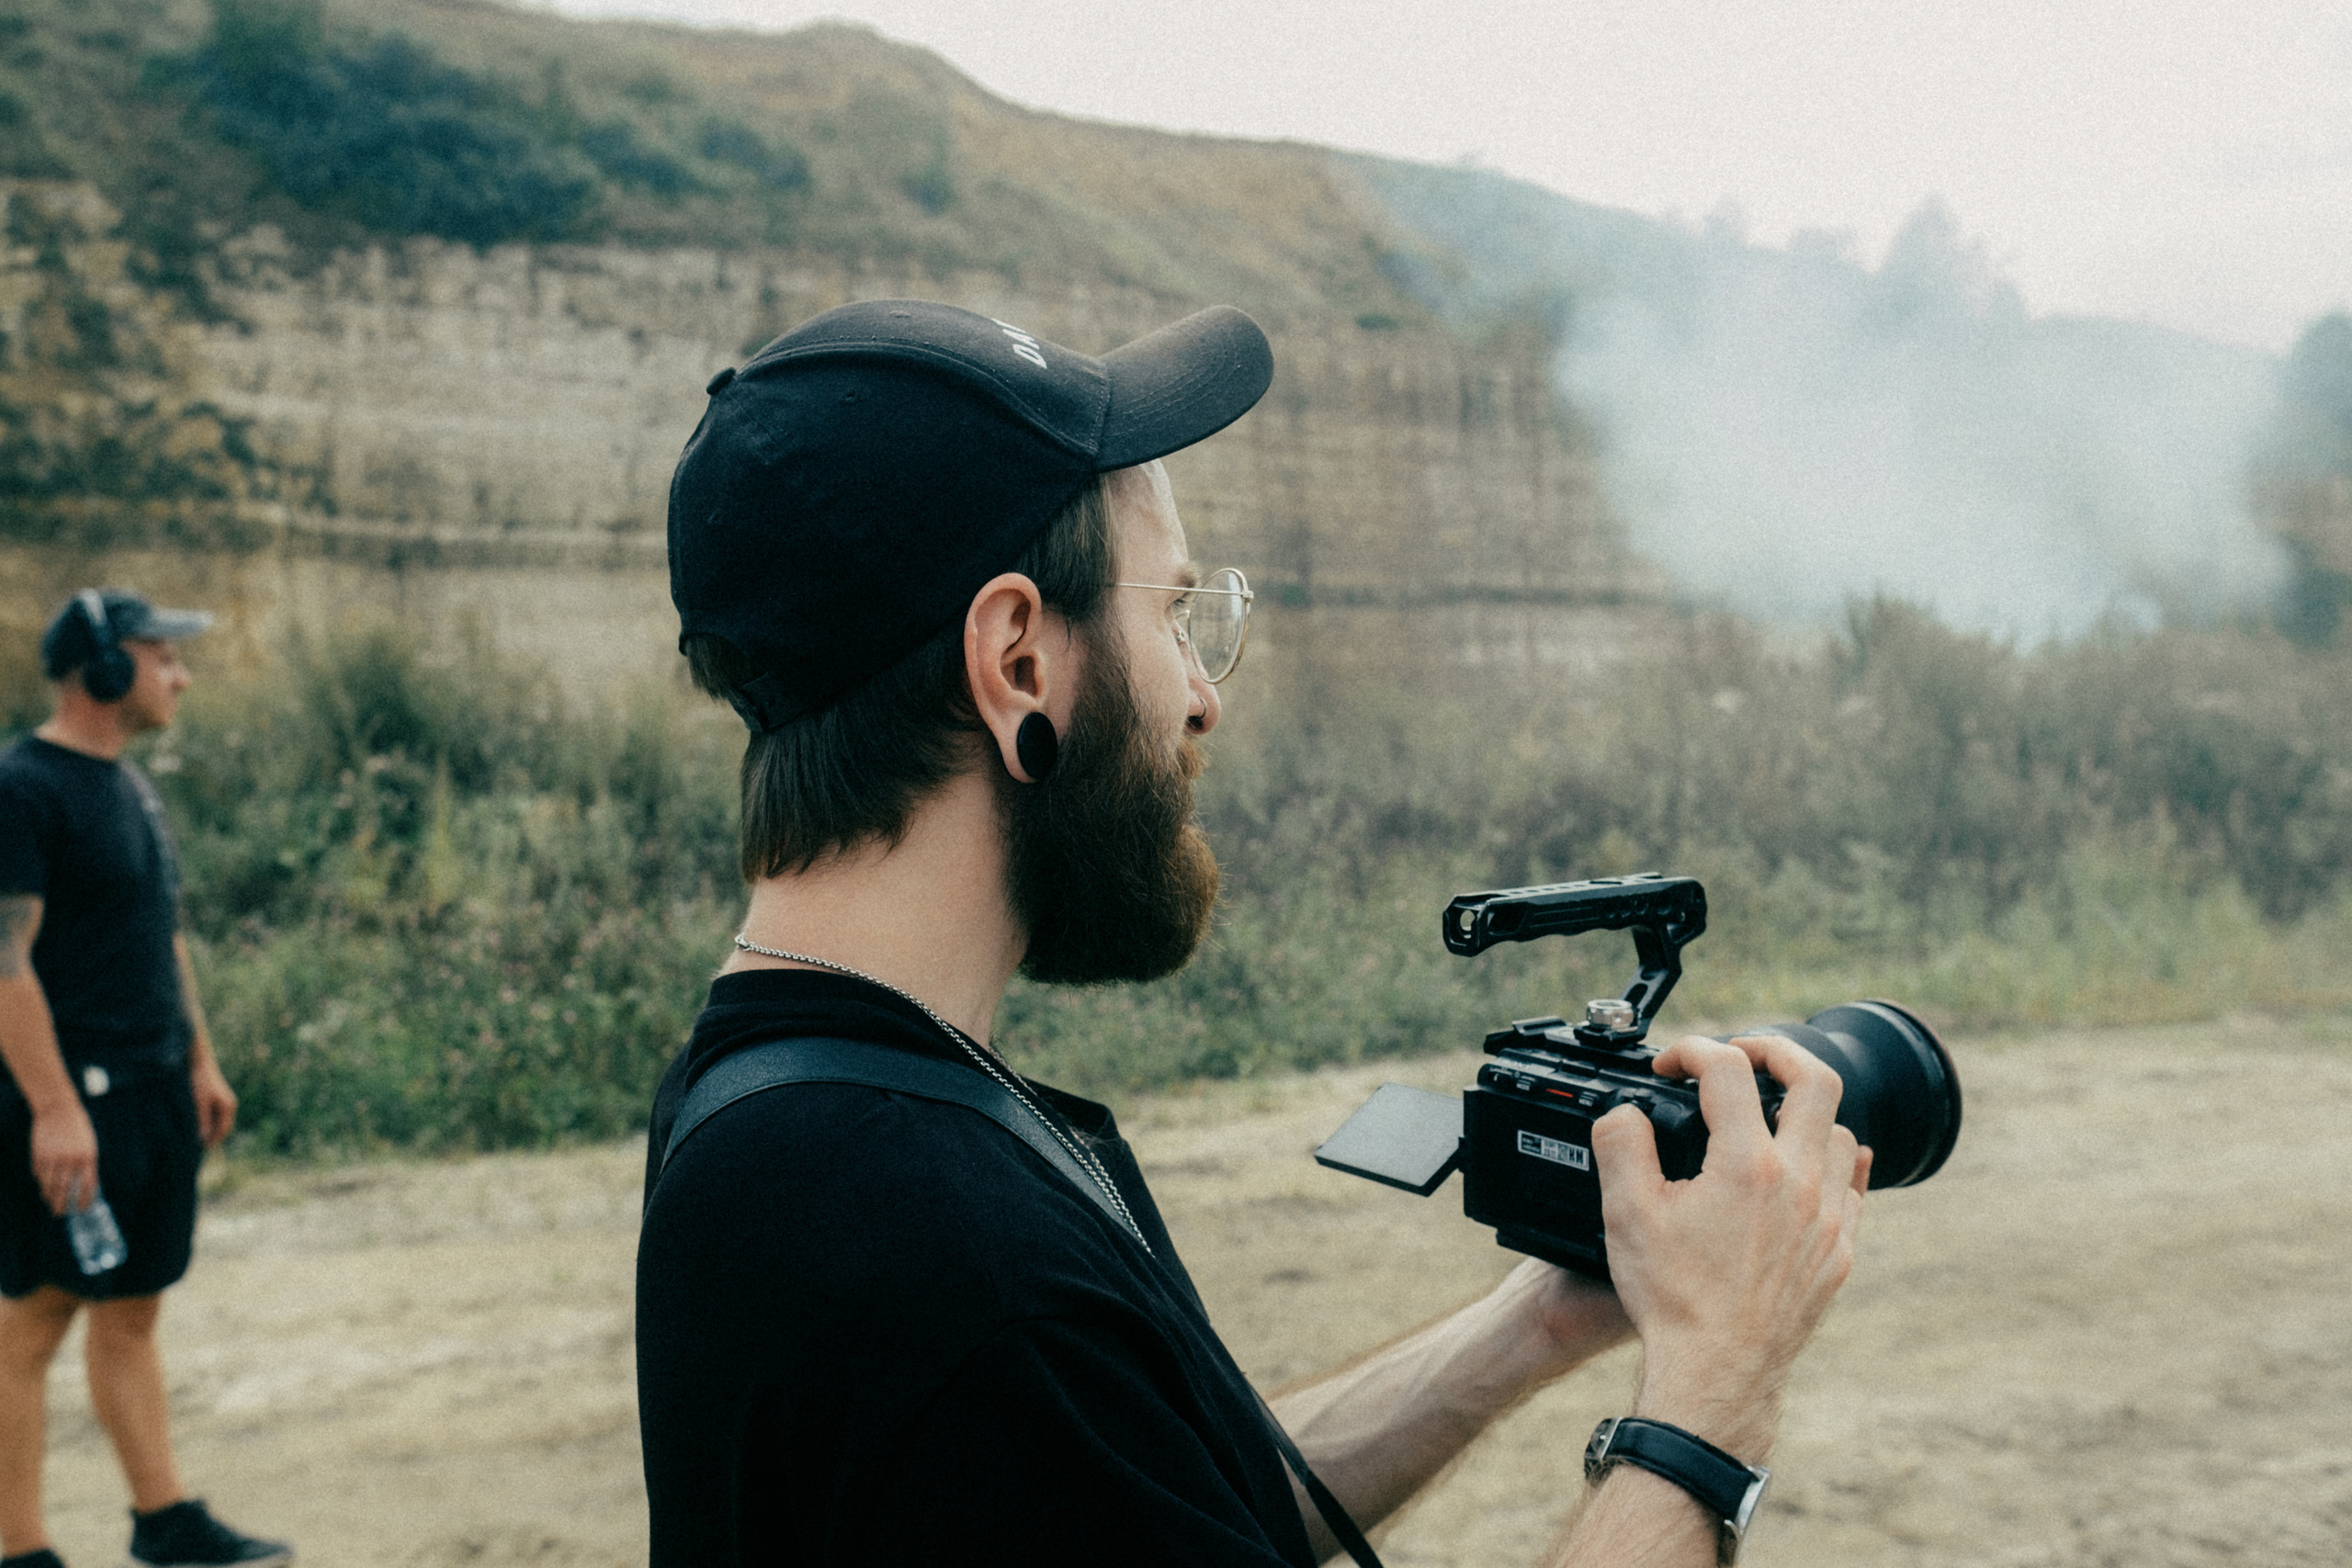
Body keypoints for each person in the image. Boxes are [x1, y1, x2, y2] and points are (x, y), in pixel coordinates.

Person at [636, 301, 1868, 1567]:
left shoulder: (780, 1100)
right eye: (1174, 611)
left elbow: (1139, 1496)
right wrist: (1712, 1388)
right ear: (1016, 658)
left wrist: (1542, 1317)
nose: (1204, 693)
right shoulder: (947, 1254)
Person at [0, 591, 291, 1568]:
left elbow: (158, 935)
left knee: (132, 1309)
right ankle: (22, 1549)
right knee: (34, 1321)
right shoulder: (22, 787)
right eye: (161, 657)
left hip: (154, 1088)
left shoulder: (127, 786)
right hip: (75, 1103)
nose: (182, 674)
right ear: (105, 668)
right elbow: (4, 964)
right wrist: (52, 1108)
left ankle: (163, 1521)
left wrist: (200, 1059)